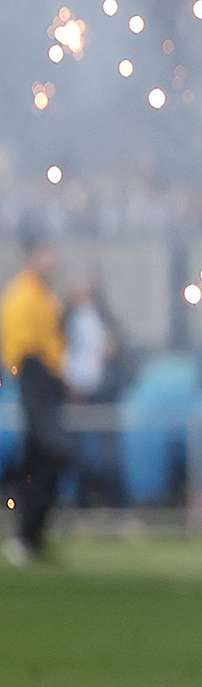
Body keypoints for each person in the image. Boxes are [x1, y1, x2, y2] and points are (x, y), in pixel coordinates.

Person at [3, 240, 68, 564]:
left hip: (47, 380)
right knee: (51, 451)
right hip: (34, 375)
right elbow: (23, 350)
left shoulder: (43, 297)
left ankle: (30, 537)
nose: (53, 261)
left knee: (40, 458)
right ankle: (27, 534)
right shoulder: (23, 296)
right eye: (47, 253)